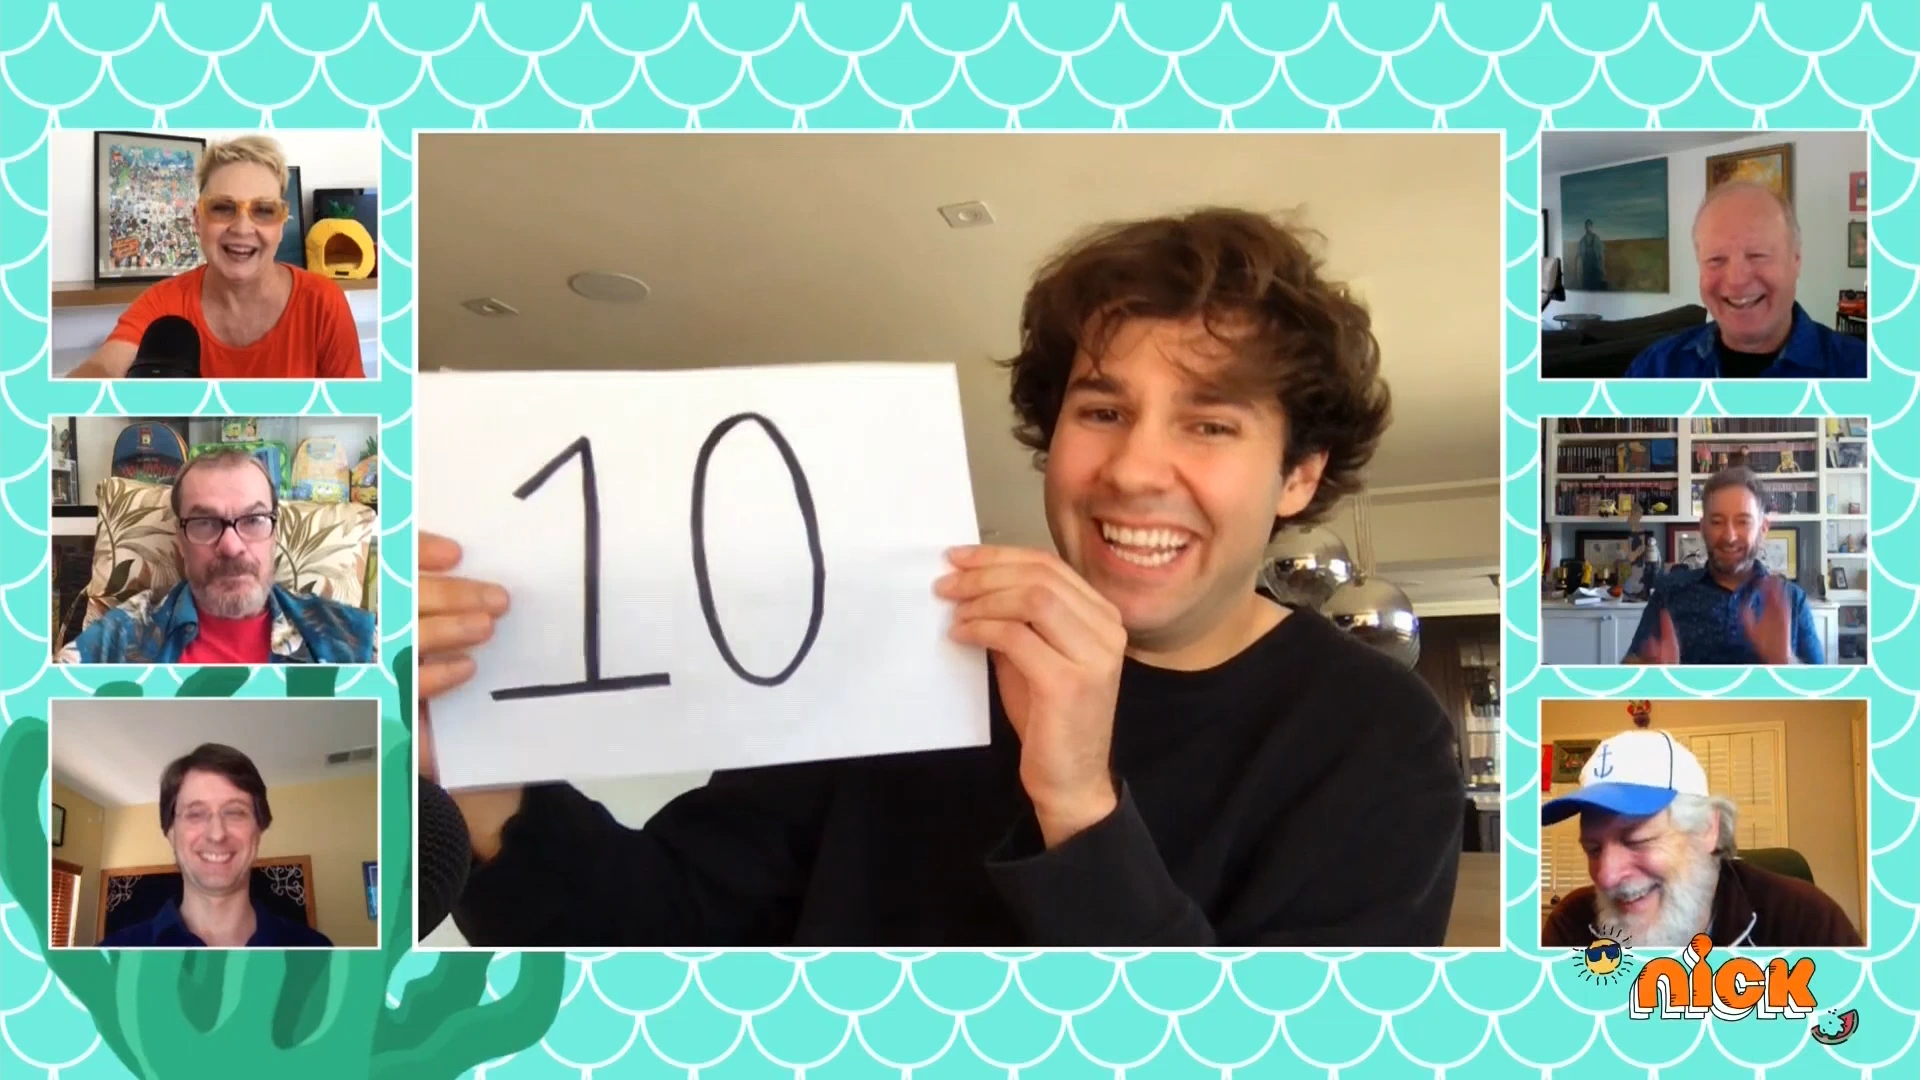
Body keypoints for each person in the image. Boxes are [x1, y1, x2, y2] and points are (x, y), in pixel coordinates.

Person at [418, 207, 1466, 948]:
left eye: (1211, 424)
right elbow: (667, 929)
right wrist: (477, 769)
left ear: (1299, 474)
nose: (1136, 470)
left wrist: (1076, 801)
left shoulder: (1377, 738)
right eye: (1102, 411)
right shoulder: (889, 642)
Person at [67, 134, 365, 380]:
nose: (243, 228)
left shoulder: (323, 303)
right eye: (223, 207)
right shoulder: (161, 305)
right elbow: (104, 366)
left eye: (264, 210)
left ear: (281, 225)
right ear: (197, 220)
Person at [1541, 729, 1860, 948]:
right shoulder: (1571, 928)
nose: (1607, 875)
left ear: (1708, 828)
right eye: (1593, 849)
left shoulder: (1806, 924)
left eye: (1637, 841)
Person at [58, 449, 375, 664]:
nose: (231, 546)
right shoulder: (121, 635)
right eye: (204, 522)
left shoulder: (351, 637)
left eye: (253, 520)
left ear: (275, 533)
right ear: (180, 540)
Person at [98, 743, 333, 947]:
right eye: (195, 814)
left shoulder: (317, 953)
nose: (217, 834)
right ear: (170, 832)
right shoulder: (108, 962)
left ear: (259, 829)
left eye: (235, 812)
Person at [1625, 182, 1867, 379]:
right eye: (1716, 259)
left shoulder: (1863, 370)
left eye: (1757, 255)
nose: (1737, 280)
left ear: (1796, 261)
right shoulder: (1653, 370)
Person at [1623, 466, 1820, 665]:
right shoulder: (1669, 593)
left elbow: (1823, 683)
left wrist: (1786, 661)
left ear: (1763, 529)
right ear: (1702, 528)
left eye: (1743, 522)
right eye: (1717, 522)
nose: (1729, 537)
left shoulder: (1792, 600)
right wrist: (1651, 671)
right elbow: (1628, 671)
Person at [1575, 218, 1606, 290]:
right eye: (1586, 226)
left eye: (1589, 225)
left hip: (1596, 268)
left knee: (1597, 287)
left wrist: (1603, 268)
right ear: (1584, 227)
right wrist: (1578, 272)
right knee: (1586, 287)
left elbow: (1602, 254)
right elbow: (1579, 257)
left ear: (1592, 226)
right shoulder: (1582, 241)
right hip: (1586, 269)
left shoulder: (1596, 239)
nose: (1587, 227)